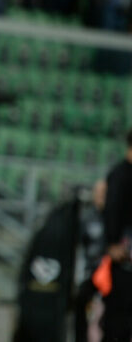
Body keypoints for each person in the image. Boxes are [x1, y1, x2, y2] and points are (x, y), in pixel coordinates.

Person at [101, 129, 132, 341]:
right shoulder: (120, 174)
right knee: (117, 319)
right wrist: (112, 243)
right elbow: (111, 209)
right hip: (122, 258)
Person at [75, 180, 106, 342]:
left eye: (104, 194)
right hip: (92, 273)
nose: (101, 197)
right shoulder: (87, 218)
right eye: (99, 193)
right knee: (80, 301)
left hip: (111, 274)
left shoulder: (117, 219)